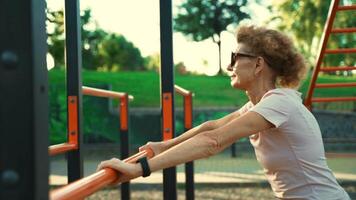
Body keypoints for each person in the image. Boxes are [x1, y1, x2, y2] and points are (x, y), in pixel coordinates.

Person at [97, 25, 350, 200]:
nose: (229, 65)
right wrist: (164, 145)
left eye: (235, 56)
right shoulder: (260, 105)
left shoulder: (280, 102)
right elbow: (212, 128)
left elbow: (213, 142)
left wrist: (141, 169)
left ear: (259, 64)